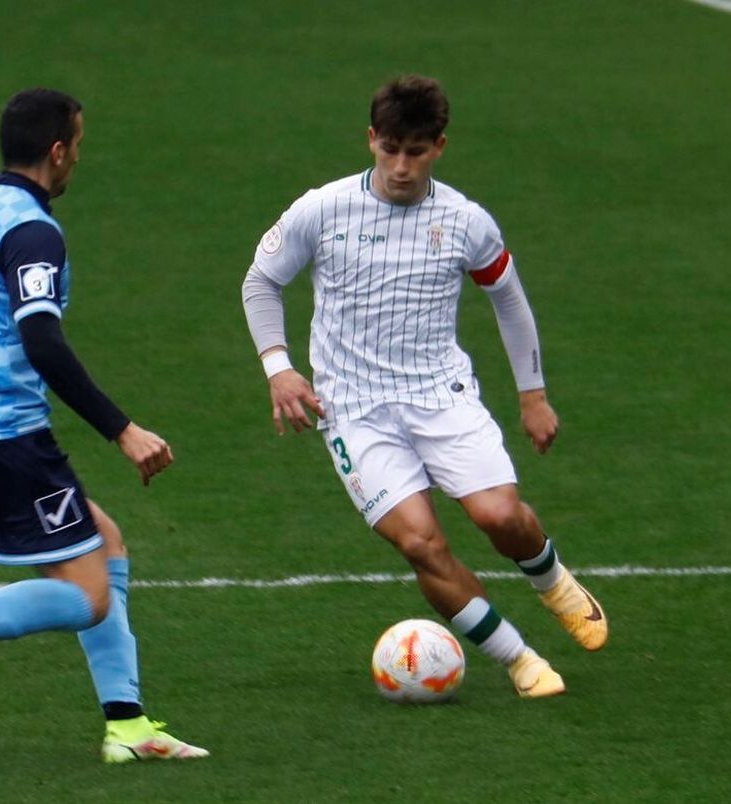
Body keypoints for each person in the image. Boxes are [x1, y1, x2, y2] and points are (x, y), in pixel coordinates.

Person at [240, 75, 609, 698]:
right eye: (389, 149)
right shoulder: (322, 209)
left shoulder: (466, 221)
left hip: (441, 394)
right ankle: (521, 662)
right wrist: (279, 367)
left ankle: (550, 580)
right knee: (419, 541)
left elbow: (509, 302)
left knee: (499, 516)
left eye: (415, 151)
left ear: (439, 146)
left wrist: (533, 394)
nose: (401, 166)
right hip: (353, 410)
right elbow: (260, 281)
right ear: (370, 140)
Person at [0, 88, 207, 763]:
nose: (78, 158)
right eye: (77, 146)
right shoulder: (31, 230)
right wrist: (123, 430)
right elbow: (43, 340)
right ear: (57, 151)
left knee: (105, 543)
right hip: (2, 435)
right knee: (88, 596)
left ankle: (127, 725)